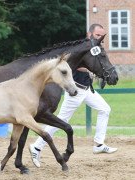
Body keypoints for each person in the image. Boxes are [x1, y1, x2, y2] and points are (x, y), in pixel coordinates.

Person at [29, 24, 117, 168]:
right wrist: (90, 70)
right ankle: (37, 146)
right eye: (97, 35)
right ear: (89, 34)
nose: (100, 38)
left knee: (105, 109)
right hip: (76, 90)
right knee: (62, 120)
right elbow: (73, 64)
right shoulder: (81, 48)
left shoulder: (94, 49)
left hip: (87, 90)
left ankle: (99, 144)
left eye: (102, 35)